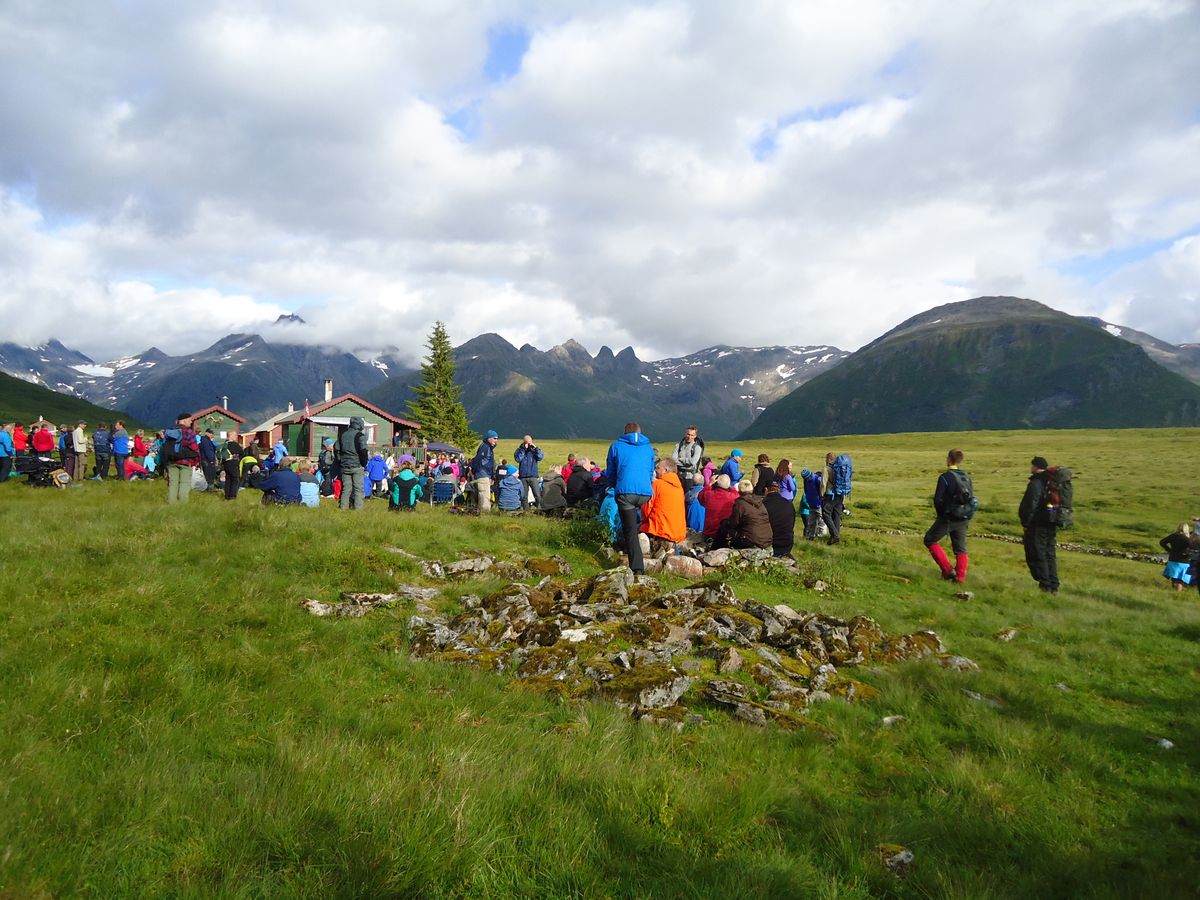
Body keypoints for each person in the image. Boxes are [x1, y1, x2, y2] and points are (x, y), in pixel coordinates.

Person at [605, 422, 655, 575]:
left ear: (624, 432)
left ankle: (637, 567)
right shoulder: (648, 447)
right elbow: (650, 470)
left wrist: (614, 486)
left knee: (630, 529)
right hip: (645, 493)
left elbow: (611, 471)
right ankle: (643, 548)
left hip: (626, 493)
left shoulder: (616, 446)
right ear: (640, 432)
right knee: (636, 522)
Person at [924, 449, 974, 584]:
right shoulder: (966, 477)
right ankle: (960, 577)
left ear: (948, 459)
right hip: (963, 518)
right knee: (961, 549)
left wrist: (941, 514)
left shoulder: (945, 477)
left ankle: (947, 570)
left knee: (929, 540)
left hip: (948, 517)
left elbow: (937, 499)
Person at [1019, 456, 1060, 594]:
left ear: (1036, 467)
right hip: (1051, 521)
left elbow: (1031, 504)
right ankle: (1054, 584)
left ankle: (1045, 585)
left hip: (1038, 523)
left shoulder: (1037, 482)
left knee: (1039, 553)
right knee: (1050, 553)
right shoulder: (1052, 481)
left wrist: (1026, 522)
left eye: (1032, 466)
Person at [639, 458, 687, 550]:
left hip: (660, 531)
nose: (655, 470)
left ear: (666, 470)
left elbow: (646, 509)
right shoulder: (679, 487)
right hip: (678, 532)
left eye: (657, 468)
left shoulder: (657, 484)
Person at [722, 479, 773, 550]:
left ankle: (714, 551)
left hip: (752, 540)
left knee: (724, 527)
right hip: (767, 538)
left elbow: (733, 523)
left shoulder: (740, 504)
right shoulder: (759, 502)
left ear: (739, 491)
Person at [165, 413, 201, 504]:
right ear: (184, 420)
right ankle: (182, 505)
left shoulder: (170, 431)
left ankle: (171, 505)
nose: (191, 421)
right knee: (184, 483)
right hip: (185, 462)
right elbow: (195, 448)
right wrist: (197, 462)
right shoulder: (189, 432)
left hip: (172, 461)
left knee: (173, 484)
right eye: (190, 420)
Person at [337, 417, 369, 510]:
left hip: (344, 466)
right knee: (358, 489)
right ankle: (358, 510)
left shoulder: (342, 435)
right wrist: (364, 464)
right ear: (360, 425)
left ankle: (343, 508)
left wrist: (340, 461)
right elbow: (363, 451)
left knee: (346, 489)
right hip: (356, 465)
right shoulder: (360, 436)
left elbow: (337, 449)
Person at [698, 473, 738, 544]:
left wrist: (710, 483)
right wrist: (730, 487)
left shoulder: (709, 495)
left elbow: (700, 496)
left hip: (710, 533)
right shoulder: (733, 497)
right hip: (726, 534)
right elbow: (737, 494)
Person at [821, 451, 850, 545]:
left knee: (826, 514)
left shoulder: (827, 468)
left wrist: (822, 495)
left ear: (828, 459)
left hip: (830, 495)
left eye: (826, 458)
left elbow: (823, 484)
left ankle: (835, 536)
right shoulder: (840, 468)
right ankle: (835, 538)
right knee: (837, 515)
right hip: (840, 494)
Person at [762, 482, 797, 557]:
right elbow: (792, 524)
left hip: (770, 543)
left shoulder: (763, 505)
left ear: (766, 490)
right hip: (787, 542)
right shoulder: (789, 504)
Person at [515, 435, 544, 511]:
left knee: (537, 494)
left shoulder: (534, 450)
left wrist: (536, 448)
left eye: (530, 442)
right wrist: (523, 450)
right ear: (524, 442)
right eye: (527, 442)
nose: (529, 444)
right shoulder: (519, 450)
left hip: (533, 476)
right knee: (524, 496)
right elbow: (518, 459)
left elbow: (540, 457)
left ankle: (540, 510)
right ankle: (526, 511)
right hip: (523, 476)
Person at [471, 430, 499, 512]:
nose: (496, 440)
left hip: (486, 473)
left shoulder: (487, 447)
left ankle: (483, 510)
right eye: (494, 438)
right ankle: (485, 511)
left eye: (497, 438)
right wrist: (479, 470)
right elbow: (479, 460)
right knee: (484, 493)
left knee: (486, 493)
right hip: (483, 473)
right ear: (489, 438)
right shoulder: (485, 447)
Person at [1160, 524, 1193, 591]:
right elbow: (1192, 547)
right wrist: (1187, 554)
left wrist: (1169, 550)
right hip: (1183, 562)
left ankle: (1175, 594)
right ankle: (1177, 594)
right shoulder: (1186, 538)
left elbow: (1162, 542)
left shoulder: (1173, 536)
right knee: (1180, 581)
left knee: (1175, 580)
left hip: (1172, 560)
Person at [800, 468, 823, 539]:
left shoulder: (817, 479)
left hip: (819, 504)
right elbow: (806, 491)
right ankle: (810, 537)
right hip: (811, 504)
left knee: (821, 521)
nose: (806, 480)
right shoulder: (806, 480)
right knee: (811, 522)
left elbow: (822, 491)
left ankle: (820, 536)